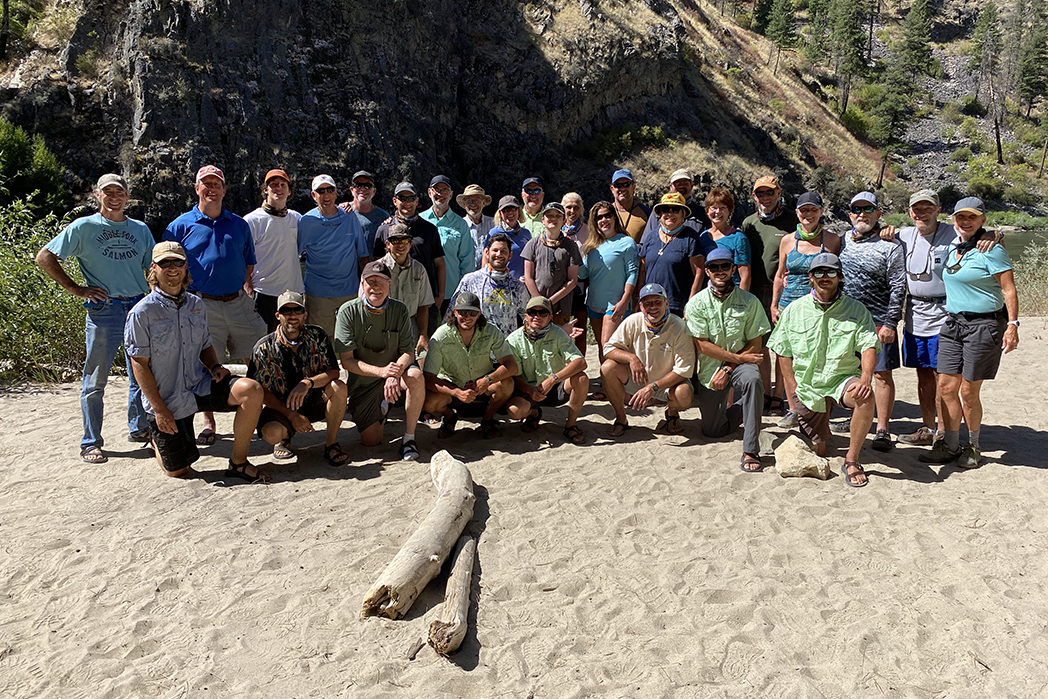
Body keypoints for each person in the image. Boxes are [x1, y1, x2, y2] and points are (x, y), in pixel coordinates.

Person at [125, 242, 268, 482]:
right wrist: (160, 410)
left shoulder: (197, 305)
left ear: (185, 266)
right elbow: (139, 364)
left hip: (198, 385)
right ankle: (155, 438)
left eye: (178, 262)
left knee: (251, 390)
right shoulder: (141, 313)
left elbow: (204, 344)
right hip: (168, 398)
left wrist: (214, 366)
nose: (172, 268)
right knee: (180, 471)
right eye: (165, 263)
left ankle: (238, 463)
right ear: (154, 268)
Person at [36, 173, 153, 464]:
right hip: (106, 310)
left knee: (140, 374)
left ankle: (139, 430)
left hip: (138, 307)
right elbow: (44, 257)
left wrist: (155, 300)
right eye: (107, 192)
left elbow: (152, 267)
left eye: (120, 192)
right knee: (95, 378)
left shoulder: (140, 229)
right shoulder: (84, 226)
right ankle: (91, 442)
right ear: (97, 195)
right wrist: (76, 288)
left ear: (128, 196)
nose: (114, 197)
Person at [163, 164, 268, 446]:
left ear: (224, 189)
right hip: (200, 304)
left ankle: (258, 411)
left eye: (216, 184)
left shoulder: (239, 224)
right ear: (197, 189)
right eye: (205, 184)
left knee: (258, 355)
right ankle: (209, 422)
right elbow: (166, 266)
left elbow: (248, 262)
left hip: (237, 301)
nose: (211, 189)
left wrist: (240, 286)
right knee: (206, 364)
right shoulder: (180, 226)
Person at [920, 197, 1019, 469]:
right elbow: (922, 224)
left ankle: (973, 446)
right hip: (953, 324)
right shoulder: (954, 248)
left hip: (984, 324)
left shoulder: (991, 249)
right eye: (960, 217)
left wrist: (1013, 324)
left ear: (982, 220)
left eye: (971, 217)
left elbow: (1008, 289)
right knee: (945, 386)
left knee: (968, 390)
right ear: (953, 219)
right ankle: (950, 445)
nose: (965, 222)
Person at [768, 252, 879, 487]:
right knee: (819, 451)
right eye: (818, 272)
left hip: (842, 378)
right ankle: (819, 437)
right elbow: (782, 350)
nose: (824, 277)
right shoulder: (794, 310)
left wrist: (866, 378)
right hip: (808, 385)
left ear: (840, 277)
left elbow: (869, 345)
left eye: (830, 272)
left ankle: (851, 459)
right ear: (810, 278)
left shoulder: (857, 310)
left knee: (865, 398)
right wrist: (792, 386)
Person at [685, 249, 770, 472]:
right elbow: (702, 345)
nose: (720, 271)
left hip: (740, 367)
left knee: (753, 380)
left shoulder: (750, 301)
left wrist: (730, 366)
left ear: (734, 269)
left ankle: (751, 449)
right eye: (714, 267)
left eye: (725, 266)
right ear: (707, 271)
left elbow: (755, 345)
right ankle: (751, 406)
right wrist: (734, 359)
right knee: (713, 430)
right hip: (710, 371)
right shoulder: (696, 304)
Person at [833, 192, 905, 452]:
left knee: (881, 374)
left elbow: (898, 287)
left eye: (868, 209)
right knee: (849, 371)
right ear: (850, 214)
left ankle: (883, 428)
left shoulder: (892, 245)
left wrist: (891, 322)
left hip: (878, 320)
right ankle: (857, 417)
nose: (862, 214)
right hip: (845, 320)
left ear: (877, 214)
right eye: (856, 209)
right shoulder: (842, 241)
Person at [334, 261, 425, 461]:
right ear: (362, 283)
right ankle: (385, 406)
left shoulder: (399, 310)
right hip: (363, 383)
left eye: (381, 281)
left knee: (416, 375)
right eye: (371, 281)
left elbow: (408, 352)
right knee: (371, 441)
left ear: (389, 285)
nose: (376, 286)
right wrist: (382, 372)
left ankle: (409, 438)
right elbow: (347, 361)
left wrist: (393, 374)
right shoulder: (348, 312)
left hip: (395, 376)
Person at [247, 291, 349, 466]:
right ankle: (284, 438)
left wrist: (307, 383)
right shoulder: (263, 348)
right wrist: (291, 415)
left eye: (297, 310)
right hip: (280, 407)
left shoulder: (318, 335)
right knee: (272, 433)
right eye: (286, 311)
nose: (292, 315)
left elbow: (333, 372)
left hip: (314, 399)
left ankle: (331, 443)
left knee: (339, 387)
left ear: (305, 314)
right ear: (278, 316)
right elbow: (258, 391)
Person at [771, 191, 841, 428]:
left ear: (821, 212)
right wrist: (773, 304)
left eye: (813, 209)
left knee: (819, 358)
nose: (808, 214)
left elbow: (839, 276)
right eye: (803, 210)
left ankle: (819, 408)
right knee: (788, 358)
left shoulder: (832, 241)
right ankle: (793, 408)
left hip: (821, 308)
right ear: (797, 212)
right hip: (789, 306)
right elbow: (780, 275)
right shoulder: (788, 240)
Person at [601, 283, 695, 437]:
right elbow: (608, 349)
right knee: (608, 368)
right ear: (641, 306)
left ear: (666, 303)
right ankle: (621, 419)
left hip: (666, 384)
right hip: (637, 380)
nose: (653, 307)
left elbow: (684, 370)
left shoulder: (679, 326)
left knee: (684, 393)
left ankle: (672, 412)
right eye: (647, 303)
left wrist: (653, 387)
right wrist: (631, 358)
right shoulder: (633, 321)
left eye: (657, 302)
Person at [422, 292, 519, 440]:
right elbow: (428, 378)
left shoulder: (491, 331)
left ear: (479, 313)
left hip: (482, 386)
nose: (467, 316)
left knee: (507, 383)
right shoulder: (440, 336)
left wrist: (487, 379)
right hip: (452, 385)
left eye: (472, 312)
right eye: (462, 312)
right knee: (429, 402)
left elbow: (512, 366)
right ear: (454, 312)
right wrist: (456, 392)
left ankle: (487, 419)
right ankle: (450, 417)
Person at [741, 174, 798, 417]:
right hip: (755, 292)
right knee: (761, 346)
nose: (765, 197)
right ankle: (765, 392)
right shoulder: (748, 223)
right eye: (760, 193)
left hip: (785, 293)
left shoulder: (792, 220)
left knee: (783, 347)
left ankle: (779, 396)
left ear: (779, 193)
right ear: (754, 196)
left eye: (770, 192)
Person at [505, 297, 589, 444]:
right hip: (528, 390)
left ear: (550, 317)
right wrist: (530, 390)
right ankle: (534, 413)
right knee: (514, 411)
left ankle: (570, 425)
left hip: (556, 387)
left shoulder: (558, 334)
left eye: (543, 313)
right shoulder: (513, 340)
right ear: (525, 316)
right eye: (532, 312)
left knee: (581, 378)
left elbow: (581, 362)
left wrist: (553, 380)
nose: (537, 316)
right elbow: (515, 377)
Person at [297, 174, 371, 338]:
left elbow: (362, 254)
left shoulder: (349, 215)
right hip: (317, 293)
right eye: (321, 191)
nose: (326, 195)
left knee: (352, 338)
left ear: (336, 193)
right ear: (313, 195)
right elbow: (293, 255)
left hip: (350, 291)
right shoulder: (306, 221)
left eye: (330, 190)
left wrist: (365, 286)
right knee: (320, 339)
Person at [374, 181, 446, 336]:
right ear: (395, 201)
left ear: (417, 201)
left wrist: (440, 295)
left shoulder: (430, 230)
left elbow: (439, 264)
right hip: (390, 300)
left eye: (410, 198)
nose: (406, 202)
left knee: (425, 346)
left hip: (424, 300)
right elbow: (376, 266)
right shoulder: (383, 229)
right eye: (402, 198)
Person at [580, 201, 640, 366]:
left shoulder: (627, 242)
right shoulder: (591, 246)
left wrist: (624, 301)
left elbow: (632, 273)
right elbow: (583, 273)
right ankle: (606, 387)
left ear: (614, 217)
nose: (604, 220)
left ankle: (619, 388)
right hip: (593, 304)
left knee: (609, 347)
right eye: (599, 217)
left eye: (608, 215)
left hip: (615, 304)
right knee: (601, 347)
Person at [244, 169, 303, 333]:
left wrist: (342, 208)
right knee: (261, 344)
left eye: (283, 185)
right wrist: (247, 287)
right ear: (265, 190)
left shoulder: (297, 219)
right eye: (273, 185)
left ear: (289, 191)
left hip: (293, 293)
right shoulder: (252, 220)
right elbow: (242, 257)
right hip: (263, 293)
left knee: (292, 341)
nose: (279, 188)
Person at [638, 192, 709, 317]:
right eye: (665, 209)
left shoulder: (690, 237)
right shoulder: (651, 237)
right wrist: (639, 298)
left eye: (675, 210)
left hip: (677, 305)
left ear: (683, 214)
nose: (669, 213)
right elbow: (643, 269)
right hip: (650, 304)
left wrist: (690, 304)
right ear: (660, 214)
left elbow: (699, 272)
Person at [453, 232, 531, 337]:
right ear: (487, 252)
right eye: (495, 250)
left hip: (506, 349)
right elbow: (452, 314)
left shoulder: (517, 287)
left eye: (503, 251)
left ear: (510, 255)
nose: (499, 254)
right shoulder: (470, 281)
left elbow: (528, 319)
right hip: (477, 346)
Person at [522, 202, 582, 328]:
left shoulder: (570, 246)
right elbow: (528, 277)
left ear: (564, 221)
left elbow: (572, 280)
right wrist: (540, 302)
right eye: (549, 215)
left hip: (561, 307)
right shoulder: (532, 244)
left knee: (559, 343)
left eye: (558, 216)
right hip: (535, 309)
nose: (553, 218)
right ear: (543, 220)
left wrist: (549, 302)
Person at [421, 175, 474, 314]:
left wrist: (463, 294)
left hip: (452, 292)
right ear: (429, 192)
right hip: (423, 291)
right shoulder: (419, 220)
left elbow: (466, 262)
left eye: (445, 190)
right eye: (437, 189)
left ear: (451, 195)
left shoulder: (460, 225)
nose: (440, 194)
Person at [379, 223, 434, 354]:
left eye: (404, 240)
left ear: (410, 244)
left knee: (424, 362)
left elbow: (423, 305)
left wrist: (422, 335)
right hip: (382, 325)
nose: (400, 244)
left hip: (411, 325)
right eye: (394, 240)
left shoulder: (419, 269)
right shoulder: (377, 269)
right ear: (387, 244)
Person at [639, 168, 710, 241]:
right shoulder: (658, 212)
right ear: (671, 186)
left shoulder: (703, 214)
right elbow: (646, 242)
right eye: (677, 183)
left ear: (691, 185)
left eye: (685, 182)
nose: (681, 186)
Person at [703, 187, 752, 291]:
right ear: (707, 211)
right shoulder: (702, 237)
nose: (717, 212)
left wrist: (741, 302)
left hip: (732, 293)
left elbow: (745, 276)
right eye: (713, 208)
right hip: (708, 295)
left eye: (722, 208)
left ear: (729, 211)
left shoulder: (738, 238)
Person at [562, 192, 589, 353]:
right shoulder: (557, 229)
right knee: (561, 328)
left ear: (581, 209)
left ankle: (580, 367)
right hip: (561, 286)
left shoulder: (588, 230)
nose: (572, 211)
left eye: (576, 207)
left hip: (581, 286)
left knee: (580, 329)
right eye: (568, 207)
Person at [485, 195, 530, 279]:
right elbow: (486, 259)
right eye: (505, 210)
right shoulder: (493, 233)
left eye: (513, 208)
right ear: (500, 213)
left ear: (519, 211)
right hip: (499, 282)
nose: (509, 212)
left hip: (522, 283)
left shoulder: (526, 233)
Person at [458, 184, 495, 270]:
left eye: (477, 200)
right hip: (466, 275)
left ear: (483, 202)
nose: (473, 204)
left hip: (489, 276)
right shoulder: (459, 226)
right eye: (469, 201)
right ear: (464, 204)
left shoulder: (494, 224)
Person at [610, 169, 651, 243]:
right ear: (612, 189)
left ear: (633, 187)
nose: (622, 188)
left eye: (626, 184)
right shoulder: (604, 214)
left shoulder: (647, 214)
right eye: (618, 185)